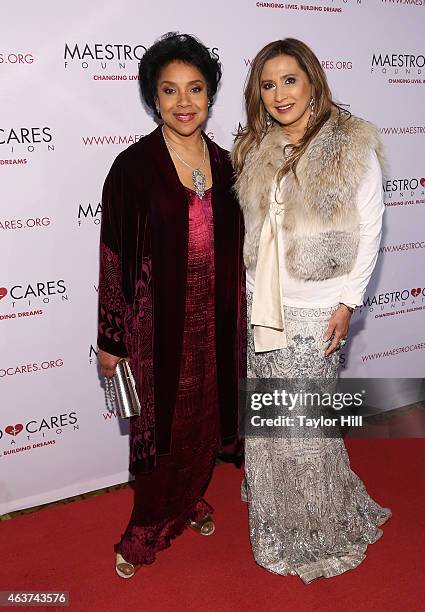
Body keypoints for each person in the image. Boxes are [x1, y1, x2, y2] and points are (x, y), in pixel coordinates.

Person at [232, 38, 392, 584]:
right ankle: (277, 524)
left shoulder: (351, 144)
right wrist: (249, 298)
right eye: (268, 84)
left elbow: (370, 229)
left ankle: (321, 528)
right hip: (264, 306)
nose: (280, 94)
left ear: (313, 80)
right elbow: (257, 232)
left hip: (318, 306)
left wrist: (349, 302)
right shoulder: (257, 148)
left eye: (289, 80)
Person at [97, 32, 244, 578]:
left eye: (196, 89)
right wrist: (111, 340)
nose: (184, 102)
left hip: (218, 323)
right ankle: (145, 528)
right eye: (170, 90)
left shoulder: (229, 165)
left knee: (206, 423)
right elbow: (113, 257)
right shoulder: (132, 169)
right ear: (153, 99)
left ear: (210, 97)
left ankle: (188, 504)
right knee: (161, 431)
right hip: (155, 328)